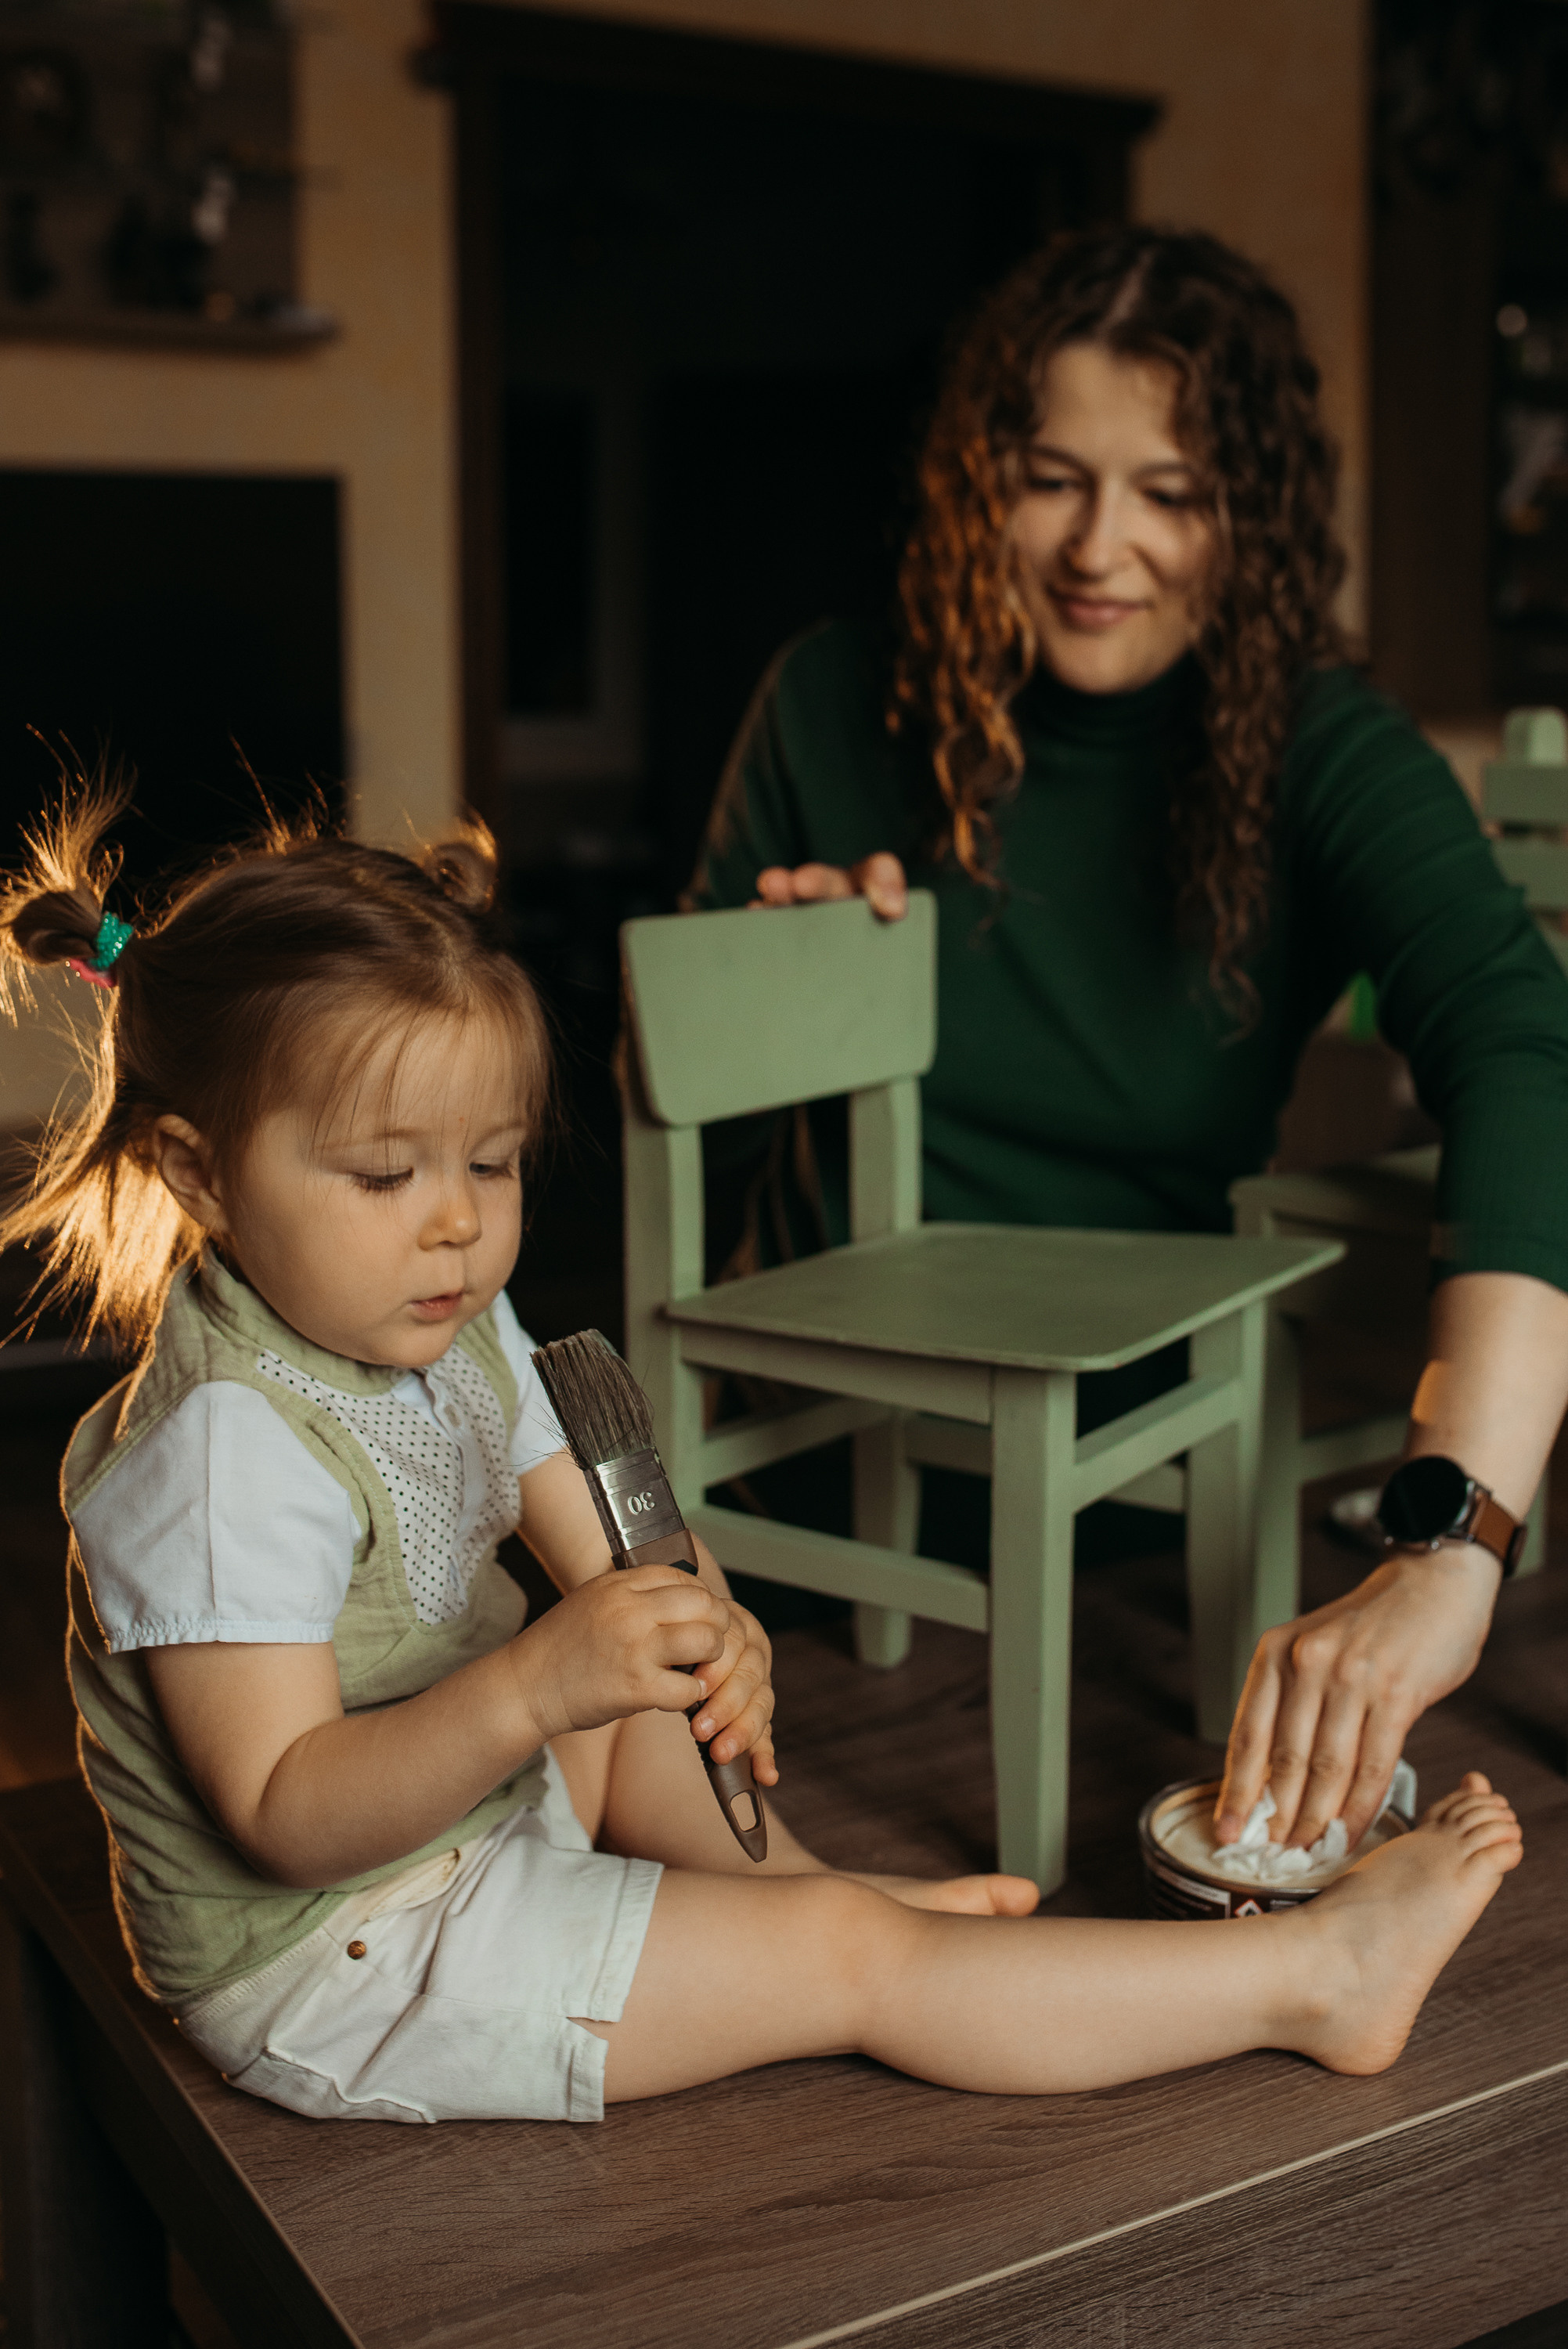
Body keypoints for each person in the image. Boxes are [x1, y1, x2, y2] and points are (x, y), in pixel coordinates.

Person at [0, 788, 1523, 2120]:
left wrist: (692, 1617)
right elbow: (283, 1814)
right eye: (386, 1172)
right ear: (197, 1172)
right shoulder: (220, 1457)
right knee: (854, 1966)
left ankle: (796, 1899)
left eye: (494, 1160)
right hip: (339, 1954)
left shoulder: (433, 1306)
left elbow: (612, 1544)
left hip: (460, 1817)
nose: (457, 1218)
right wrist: (541, 1679)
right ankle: (1307, 1977)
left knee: (630, 1691)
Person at [688, 224, 1568, 1864]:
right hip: (795, 1517)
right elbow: (648, 1151)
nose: (1103, 546)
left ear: (1254, 517)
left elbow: (1524, 1041)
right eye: (1050, 477)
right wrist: (769, 998)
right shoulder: (826, 700)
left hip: (1126, 1519)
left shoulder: (1320, 750)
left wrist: (1453, 1537)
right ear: (977, 486)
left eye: (1172, 492)